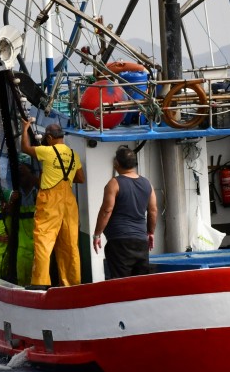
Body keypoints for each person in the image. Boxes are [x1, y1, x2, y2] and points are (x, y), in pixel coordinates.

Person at [21, 119, 85, 287]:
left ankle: (40, 283)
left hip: (50, 200)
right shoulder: (74, 155)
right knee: (70, 244)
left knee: (44, 239)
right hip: (69, 202)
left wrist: (25, 127)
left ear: (49, 137)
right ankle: (72, 284)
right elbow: (80, 178)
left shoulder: (47, 152)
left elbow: (25, 148)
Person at [92, 145, 158, 279]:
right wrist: (150, 232)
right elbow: (153, 210)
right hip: (140, 241)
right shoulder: (147, 184)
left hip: (119, 243)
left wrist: (97, 234)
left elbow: (106, 210)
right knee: (140, 284)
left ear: (116, 163)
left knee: (120, 285)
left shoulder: (114, 183)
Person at [12, 163, 38, 287]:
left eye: (23, 174)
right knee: (22, 276)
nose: (20, 177)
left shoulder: (40, 193)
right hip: (22, 245)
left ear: (33, 175)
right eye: (19, 175)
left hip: (39, 244)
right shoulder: (15, 196)